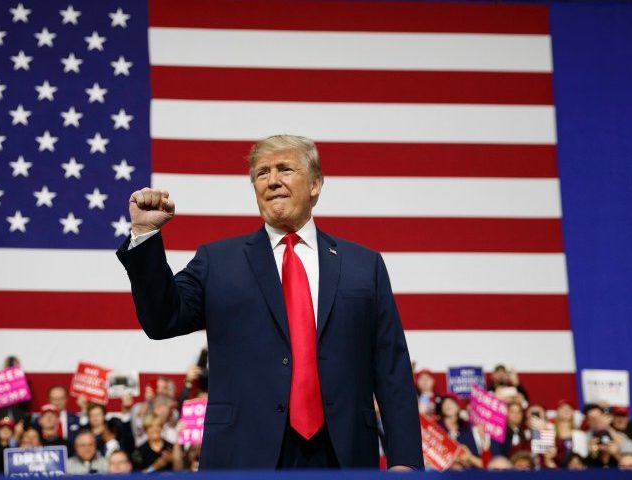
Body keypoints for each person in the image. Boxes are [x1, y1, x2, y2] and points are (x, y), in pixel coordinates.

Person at [117, 134, 422, 470]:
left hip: (343, 455)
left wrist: (406, 460)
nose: (272, 180)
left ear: (315, 184)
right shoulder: (218, 262)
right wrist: (145, 234)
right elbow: (162, 319)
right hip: (243, 455)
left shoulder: (364, 266)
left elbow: (392, 369)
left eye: (285, 169)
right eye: (262, 173)